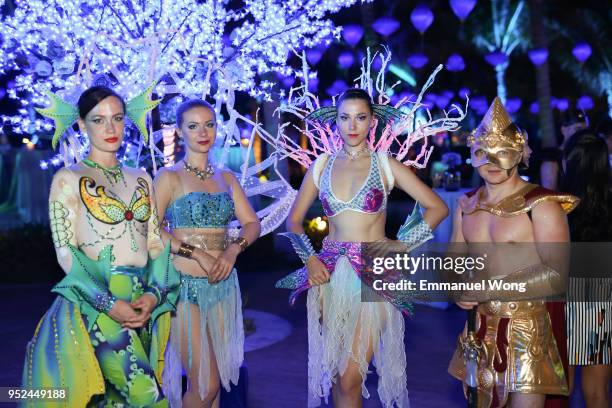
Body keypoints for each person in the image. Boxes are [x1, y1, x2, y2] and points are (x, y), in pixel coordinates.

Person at [278, 88, 449, 407]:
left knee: (351, 375)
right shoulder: (321, 166)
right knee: (340, 379)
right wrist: (310, 259)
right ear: (335, 122)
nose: (352, 125)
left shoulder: (385, 164)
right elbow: (293, 221)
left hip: (375, 273)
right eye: (344, 118)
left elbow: (437, 207)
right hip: (330, 276)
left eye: (360, 117)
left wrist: (401, 247)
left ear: (372, 121)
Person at [22, 86, 179, 407]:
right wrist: (108, 304)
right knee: (147, 396)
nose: (110, 128)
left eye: (118, 118)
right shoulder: (68, 178)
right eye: (99, 120)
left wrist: (152, 295)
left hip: (141, 304)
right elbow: (66, 254)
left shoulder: (141, 178)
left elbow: (155, 243)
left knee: (114, 402)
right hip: (95, 305)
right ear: (82, 124)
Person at [448, 97, 579, 408]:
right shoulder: (467, 205)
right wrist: (457, 289)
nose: (492, 162)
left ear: (520, 154)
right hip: (479, 329)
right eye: (482, 153)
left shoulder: (541, 205)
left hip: (527, 328)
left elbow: (557, 274)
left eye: (502, 153)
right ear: (472, 155)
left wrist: (490, 287)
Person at [155, 99, 260, 408]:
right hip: (183, 287)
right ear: (179, 131)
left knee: (215, 389)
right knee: (205, 383)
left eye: (209, 124)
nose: (203, 132)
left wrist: (232, 250)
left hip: (223, 287)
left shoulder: (226, 178)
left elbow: (252, 223)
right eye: (193, 126)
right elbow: (149, 229)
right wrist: (195, 253)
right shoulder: (169, 177)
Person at [561, 129, 612, 408]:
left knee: (562, 387)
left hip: (571, 295)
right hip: (605, 295)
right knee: (597, 390)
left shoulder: (561, 207)